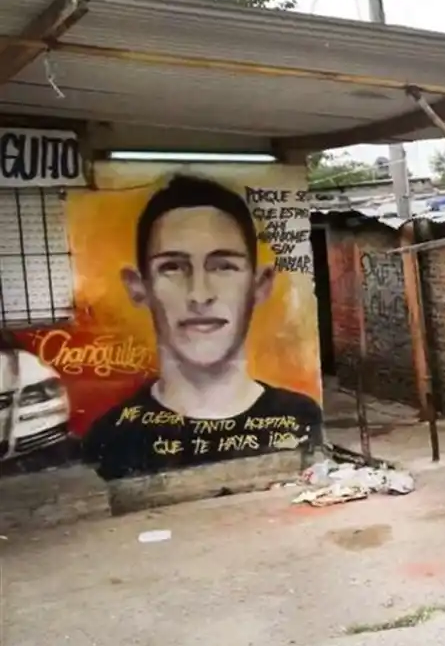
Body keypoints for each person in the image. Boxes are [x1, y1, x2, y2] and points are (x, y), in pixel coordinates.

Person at [83, 174, 322, 480]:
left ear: (260, 285)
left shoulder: (302, 417)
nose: (199, 295)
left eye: (223, 266)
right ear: (138, 287)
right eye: (172, 267)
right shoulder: (110, 438)